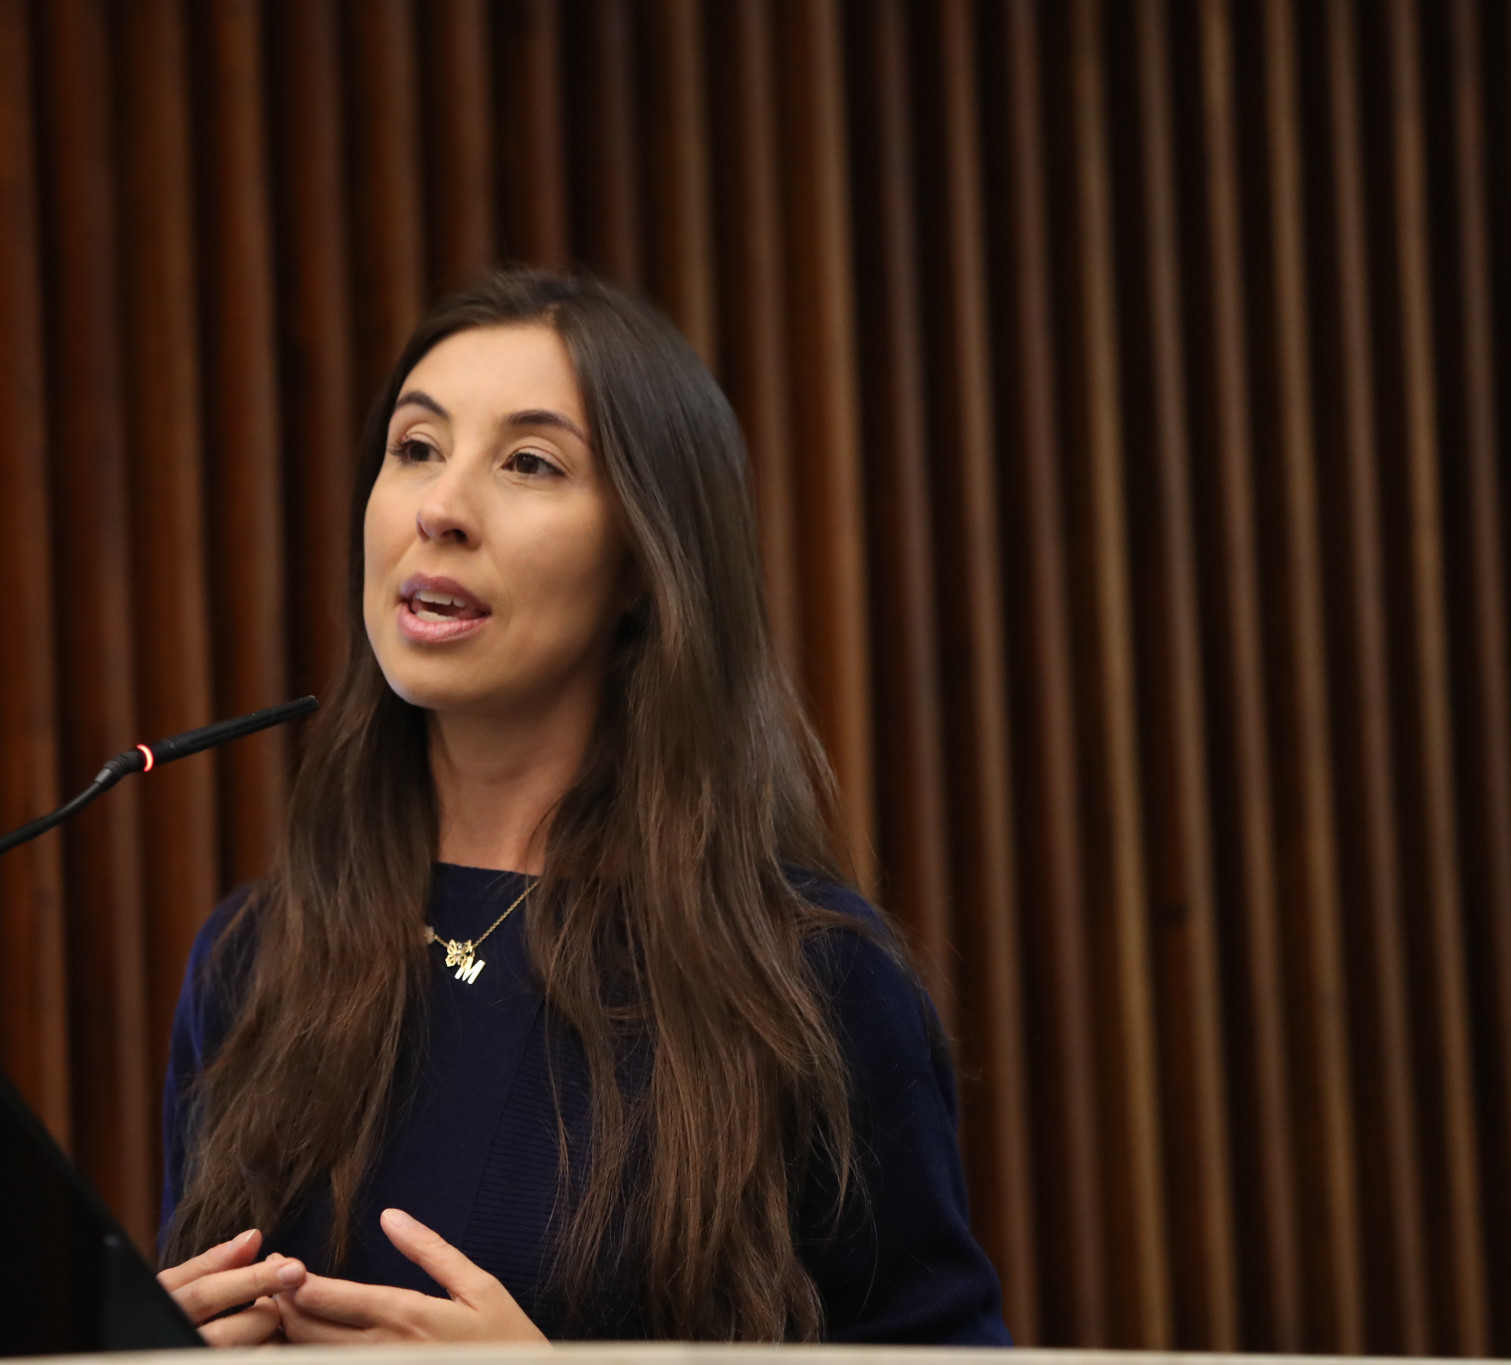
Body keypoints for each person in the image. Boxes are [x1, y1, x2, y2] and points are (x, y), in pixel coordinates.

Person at [154, 269, 1008, 1345]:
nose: (439, 509)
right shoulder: (252, 959)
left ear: (646, 563)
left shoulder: (813, 983)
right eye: (415, 448)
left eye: (528, 463)